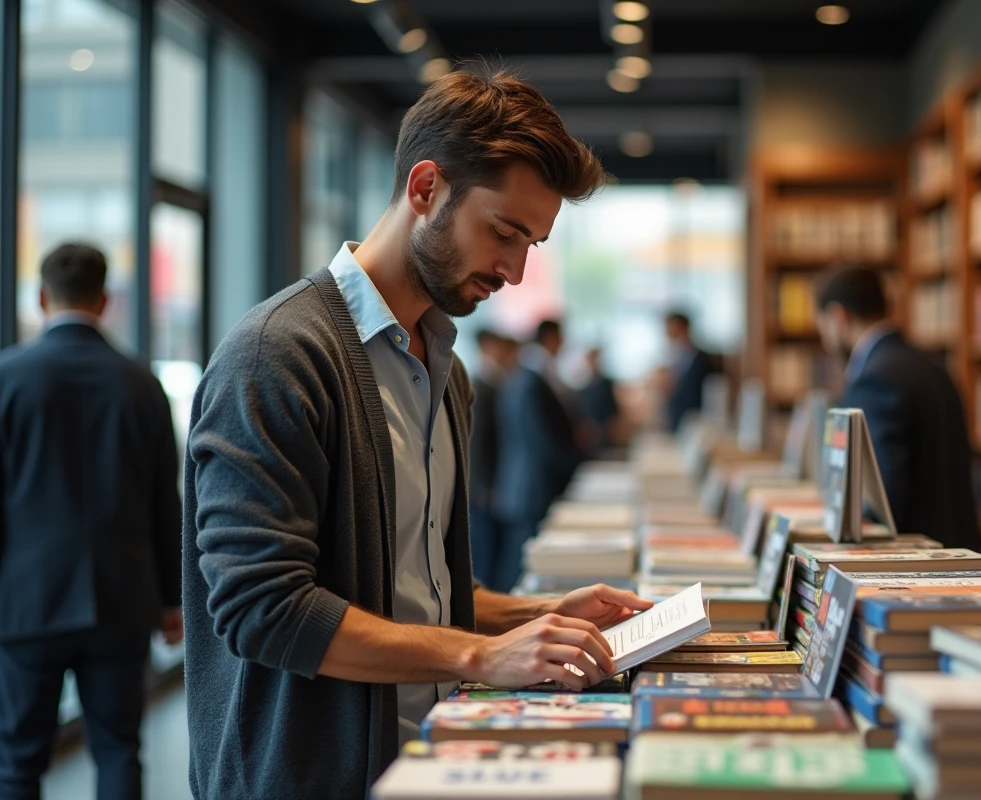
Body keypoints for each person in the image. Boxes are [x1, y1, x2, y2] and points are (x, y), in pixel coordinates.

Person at [182, 67, 652, 800]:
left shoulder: (443, 369)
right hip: (309, 776)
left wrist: (540, 613)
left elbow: (413, 586)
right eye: (503, 232)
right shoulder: (277, 353)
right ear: (426, 188)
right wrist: (480, 655)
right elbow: (263, 611)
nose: (516, 272)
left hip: (425, 758)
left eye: (532, 243)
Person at [0, 243, 183, 800]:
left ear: (39, 297)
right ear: (105, 300)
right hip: (120, 600)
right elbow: (165, 499)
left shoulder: (7, 378)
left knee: (17, 762)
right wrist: (173, 599)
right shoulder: (141, 385)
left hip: (26, 602)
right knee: (118, 749)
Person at [814, 266, 981, 552]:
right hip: (961, 554)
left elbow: (882, 504)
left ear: (838, 317)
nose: (825, 341)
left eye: (822, 328)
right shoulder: (936, 368)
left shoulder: (873, 380)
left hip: (916, 568)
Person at [492, 319, 586, 593]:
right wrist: (576, 463)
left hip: (523, 484)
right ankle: (506, 630)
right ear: (550, 338)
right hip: (532, 486)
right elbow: (543, 441)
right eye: (561, 337)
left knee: (519, 565)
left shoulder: (522, 375)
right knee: (520, 571)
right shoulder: (532, 380)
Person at [468, 329, 517, 589]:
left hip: (494, 484)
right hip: (484, 489)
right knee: (485, 557)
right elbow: (477, 442)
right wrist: (484, 487)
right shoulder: (479, 383)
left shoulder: (497, 381)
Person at [663, 310, 716, 432]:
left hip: (696, 427)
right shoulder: (675, 362)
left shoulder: (702, 361)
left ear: (684, 330)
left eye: (673, 333)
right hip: (678, 427)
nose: (670, 338)